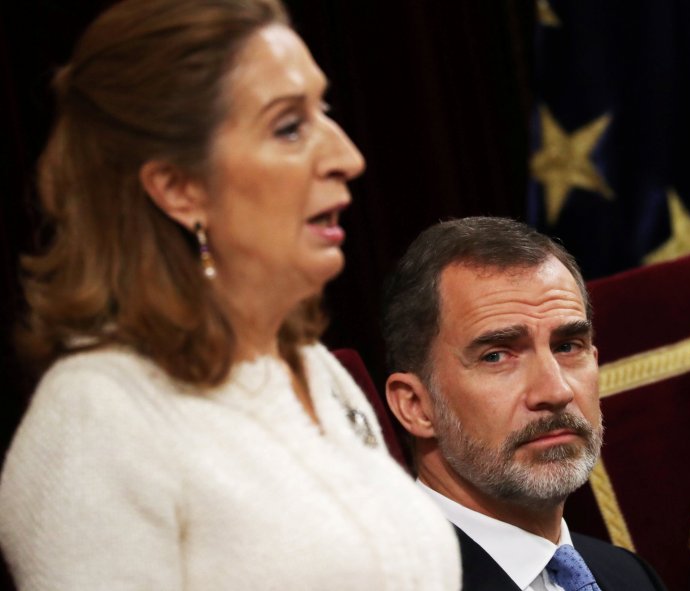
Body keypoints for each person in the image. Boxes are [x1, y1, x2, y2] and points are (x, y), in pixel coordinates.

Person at [0, 1, 460, 589]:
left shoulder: (316, 369)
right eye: (289, 127)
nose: (348, 156)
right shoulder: (97, 419)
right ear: (179, 188)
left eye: (326, 110)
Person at [382, 216, 667, 591]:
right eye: (497, 356)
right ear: (416, 406)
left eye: (567, 347)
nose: (555, 391)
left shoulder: (630, 576)